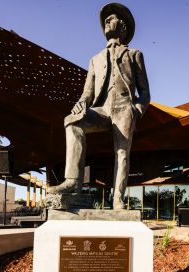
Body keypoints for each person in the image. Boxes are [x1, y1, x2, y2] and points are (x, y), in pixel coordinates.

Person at [48, 2, 150, 209]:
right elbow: (88, 92)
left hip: (124, 108)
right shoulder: (95, 59)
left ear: (122, 27)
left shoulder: (134, 55)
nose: (106, 21)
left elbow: (145, 92)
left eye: (111, 18)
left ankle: (117, 198)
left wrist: (136, 110)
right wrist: (81, 103)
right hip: (102, 109)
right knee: (72, 122)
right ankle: (72, 181)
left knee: (122, 153)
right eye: (106, 19)